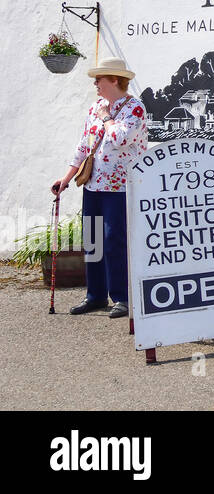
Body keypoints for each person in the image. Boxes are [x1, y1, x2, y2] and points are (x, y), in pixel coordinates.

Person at [52, 57, 149, 318]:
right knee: (92, 240)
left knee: (114, 240)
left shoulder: (135, 109)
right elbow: (84, 145)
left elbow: (119, 138)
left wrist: (107, 117)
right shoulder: (96, 106)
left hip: (121, 188)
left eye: (100, 79)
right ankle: (95, 295)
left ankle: (122, 297)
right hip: (94, 184)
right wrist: (66, 178)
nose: (95, 84)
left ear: (115, 80)